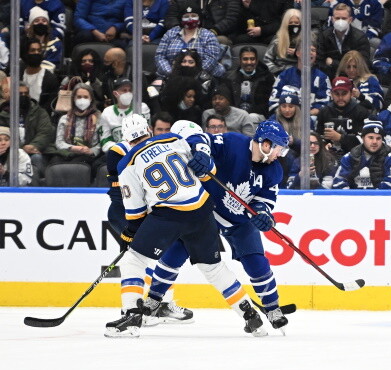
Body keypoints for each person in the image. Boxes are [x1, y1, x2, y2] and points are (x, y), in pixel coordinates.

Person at [105, 114, 265, 337]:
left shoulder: (126, 162)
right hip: (201, 209)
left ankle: (131, 315)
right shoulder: (172, 139)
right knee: (213, 268)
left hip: (168, 215)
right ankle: (250, 314)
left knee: (134, 259)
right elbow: (207, 167)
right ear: (149, 131)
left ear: (126, 139)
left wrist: (130, 235)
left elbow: (135, 211)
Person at [163, 119, 293, 331]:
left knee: (257, 262)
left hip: (239, 220)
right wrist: (202, 153)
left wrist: (262, 213)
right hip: (207, 211)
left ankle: (272, 308)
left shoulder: (274, 171)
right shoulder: (233, 142)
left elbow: (266, 200)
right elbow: (201, 138)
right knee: (177, 249)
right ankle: (154, 302)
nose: (280, 154)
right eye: (279, 148)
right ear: (266, 144)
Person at [104, 112, 194, 327]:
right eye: (135, 140)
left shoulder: (159, 146)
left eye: (142, 137)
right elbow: (120, 197)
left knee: (162, 255)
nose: (140, 142)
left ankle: (159, 304)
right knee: (135, 257)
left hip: (148, 212)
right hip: (125, 211)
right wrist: (130, 228)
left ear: (149, 132)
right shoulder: (118, 153)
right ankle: (130, 309)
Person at [155, 2, 225, 80]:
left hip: (201, 77)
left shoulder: (208, 35)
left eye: (194, 16)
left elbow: (211, 60)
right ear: (181, 19)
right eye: (186, 16)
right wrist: (171, 73)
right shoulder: (170, 33)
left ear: (199, 19)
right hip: (171, 77)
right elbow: (160, 57)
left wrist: (191, 74)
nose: (190, 19)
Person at [0, 80, 55, 177]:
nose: (23, 96)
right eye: (20, 94)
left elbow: (45, 132)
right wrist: (21, 149)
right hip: (9, 152)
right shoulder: (2, 114)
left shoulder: (40, 112)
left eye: (26, 93)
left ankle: (37, 186)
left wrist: (34, 145)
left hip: (35, 151)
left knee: (37, 158)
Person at [268, 37, 331, 117]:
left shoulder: (322, 78)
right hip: (286, 117)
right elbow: (274, 101)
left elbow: (325, 104)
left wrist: (306, 115)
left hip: (310, 119)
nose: (310, 53)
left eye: (313, 50)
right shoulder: (284, 76)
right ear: (297, 53)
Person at [332, 119, 391, 189]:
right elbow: (338, 180)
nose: (374, 142)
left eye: (378, 138)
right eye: (370, 138)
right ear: (363, 138)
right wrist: (351, 196)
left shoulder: (390, 157)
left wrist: (374, 196)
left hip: (380, 198)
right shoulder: (350, 156)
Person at [51, 84, 103, 176]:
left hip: (88, 156)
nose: (82, 100)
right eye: (79, 97)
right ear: (73, 99)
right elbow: (59, 142)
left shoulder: (98, 118)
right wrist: (73, 148)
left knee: (77, 166)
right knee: (54, 164)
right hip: (67, 153)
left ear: (91, 99)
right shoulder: (64, 118)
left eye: (85, 97)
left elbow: (101, 142)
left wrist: (92, 151)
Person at [316, 76, 370, 155]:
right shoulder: (324, 112)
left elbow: (363, 141)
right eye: (336, 94)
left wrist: (340, 138)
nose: (340, 97)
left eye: (344, 93)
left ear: (351, 93)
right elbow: (318, 137)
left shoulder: (361, 112)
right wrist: (324, 145)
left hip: (355, 156)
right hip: (328, 156)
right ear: (331, 94)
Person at [317, 3, 370, 79]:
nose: (340, 21)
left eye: (344, 18)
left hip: (354, 79)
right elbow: (320, 62)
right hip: (330, 78)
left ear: (350, 19)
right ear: (332, 19)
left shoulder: (360, 37)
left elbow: (363, 64)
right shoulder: (324, 36)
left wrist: (333, 63)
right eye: (337, 18)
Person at [97, 78, 151, 154]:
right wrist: (121, 149)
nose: (128, 93)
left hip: (140, 151)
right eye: (124, 90)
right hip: (117, 153)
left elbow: (148, 133)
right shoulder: (107, 113)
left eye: (130, 90)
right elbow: (105, 140)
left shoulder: (142, 108)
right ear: (115, 93)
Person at [226, 45, 274, 121]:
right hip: (235, 116)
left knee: (252, 117)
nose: (249, 62)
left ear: (257, 60)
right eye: (245, 59)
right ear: (240, 60)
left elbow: (266, 105)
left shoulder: (267, 78)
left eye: (252, 59)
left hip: (258, 116)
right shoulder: (230, 78)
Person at [164, 0, 241, 46]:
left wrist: (213, 31)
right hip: (190, 32)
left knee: (221, 40)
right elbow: (170, 18)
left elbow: (231, 19)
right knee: (171, 38)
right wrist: (180, 32)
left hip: (220, 33)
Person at [21, 38, 58, 114]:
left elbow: (50, 105)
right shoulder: (19, 74)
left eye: (39, 50)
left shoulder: (50, 79)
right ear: (26, 54)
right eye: (33, 50)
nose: (36, 53)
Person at [263, 8, 302, 76]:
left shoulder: (306, 40)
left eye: (296, 23)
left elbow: (312, 60)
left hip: (300, 74)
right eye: (290, 23)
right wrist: (277, 72)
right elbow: (267, 59)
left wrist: (297, 54)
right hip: (280, 73)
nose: (293, 25)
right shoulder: (278, 39)